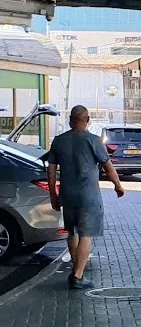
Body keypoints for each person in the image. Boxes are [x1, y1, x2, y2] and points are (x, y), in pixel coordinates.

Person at [44, 105, 125, 289]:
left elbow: (51, 170)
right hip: (88, 196)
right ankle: (78, 276)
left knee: (72, 232)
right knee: (86, 234)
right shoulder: (93, 140)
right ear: (87, 120)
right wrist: (118, 185)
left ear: (70, 121)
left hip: (67, 195)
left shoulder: (59, 141)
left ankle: (76, 270)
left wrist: (53, 195)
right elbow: (109, 168)